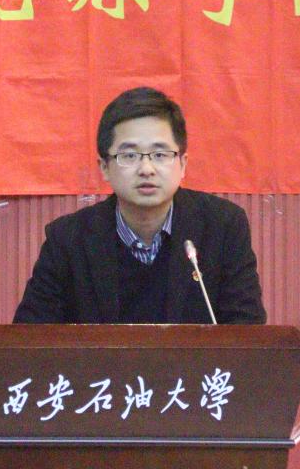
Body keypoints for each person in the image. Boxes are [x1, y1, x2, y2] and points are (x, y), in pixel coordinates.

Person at [13, 87, 266, 324]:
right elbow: (30, 338)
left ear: (183, 164)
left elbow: (247, 331)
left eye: (160, 155)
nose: (146, 169)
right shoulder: (68, 240)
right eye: (129, 155)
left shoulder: (223, 227)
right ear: (104, 167)